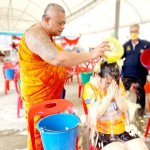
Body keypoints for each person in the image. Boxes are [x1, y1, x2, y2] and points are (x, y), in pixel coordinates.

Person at [18, 3, 111, 150]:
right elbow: (56, 58)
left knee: (53, 131)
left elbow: (50, 61)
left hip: (53, 93)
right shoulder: (34, 34)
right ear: (47, 20)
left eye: (64, 24)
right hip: (38, 96)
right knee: (38, 134)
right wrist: (91, 55)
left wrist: (60, 72)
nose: (63, 27)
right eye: (60, 23)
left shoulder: (48, 36)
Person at [83, 60, 148, 150]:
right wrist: (109, 97)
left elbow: (124, 109)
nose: (108, 86)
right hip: (102, 132)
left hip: (122, 129)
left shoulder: (118, 84)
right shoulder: (90, 88)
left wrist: (117, 96)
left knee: (142, 148)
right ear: (97, 75)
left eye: (111, 82)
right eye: (106, 82)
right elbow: (95, 114)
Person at [121, 24, 150, 116]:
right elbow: (120, 57)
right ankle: (122, 109)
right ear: (130, 33)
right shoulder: (125, 45)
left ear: (138, 32)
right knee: (123, 92)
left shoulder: (146, 44)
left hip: (140, 73)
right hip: (127, 73)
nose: (133, 33)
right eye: (132, 31)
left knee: (140, 94)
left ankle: (140, 111)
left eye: (135, 31)